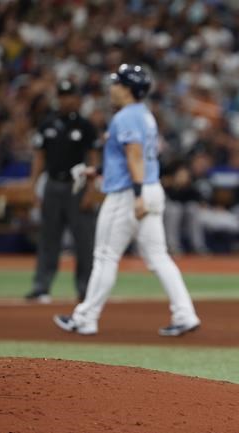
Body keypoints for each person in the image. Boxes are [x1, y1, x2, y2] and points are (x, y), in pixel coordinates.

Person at [53, 64, 200, 336]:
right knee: (158, 257)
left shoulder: (126, 117)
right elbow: (130, 158)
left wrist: (136, 194)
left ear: (128, 89)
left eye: (117, 83)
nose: (113, 87)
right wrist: (95, 171)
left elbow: (134, 156)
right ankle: (185, 314)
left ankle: (85, 317)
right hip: (150, 188)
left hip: (129, 194)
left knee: (106, 256)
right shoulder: (145, 115)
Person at [25, 79, 100, 303]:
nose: (66, 100)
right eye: (62, 95)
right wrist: (33, 186)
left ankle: (85, 289)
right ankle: (41, 286)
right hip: (52, 184)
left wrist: (91, 192)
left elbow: (94, 160)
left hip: (77, 186)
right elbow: (39, 158)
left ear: (78, 99)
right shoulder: (47, 124)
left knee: (84, 241)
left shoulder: (86, 126)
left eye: (70, 96)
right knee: (48, 238)